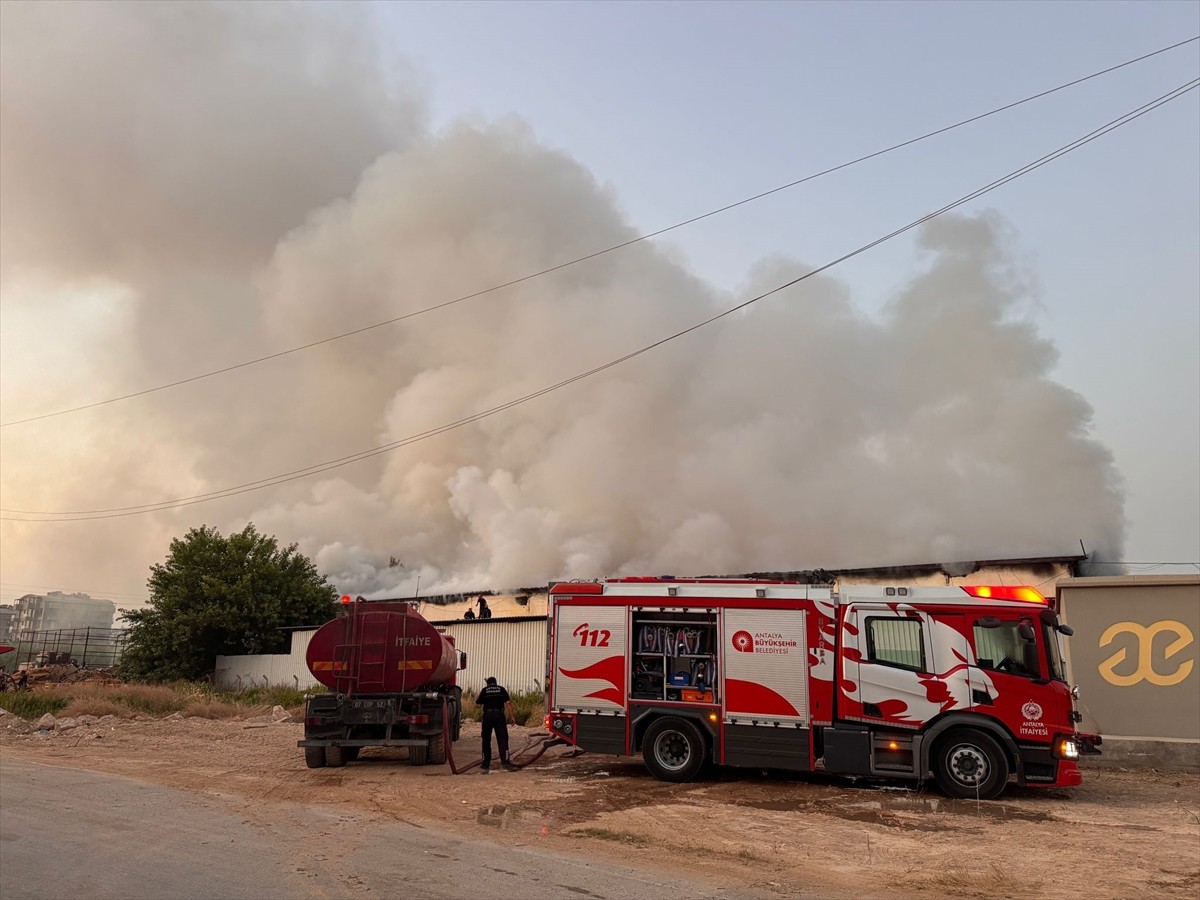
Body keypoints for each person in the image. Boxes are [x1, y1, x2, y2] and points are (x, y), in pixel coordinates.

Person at [477, 676, 517, 773]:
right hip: (499, 715)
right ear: (496, 682)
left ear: (488, 683)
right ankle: (505, 762)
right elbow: (508, 703)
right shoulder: (501, 689)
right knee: (503, 739)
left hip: (488, 715)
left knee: (486, 739)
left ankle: (485, 763)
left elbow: (478, 705)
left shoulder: (485, 690)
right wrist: (512, 717)